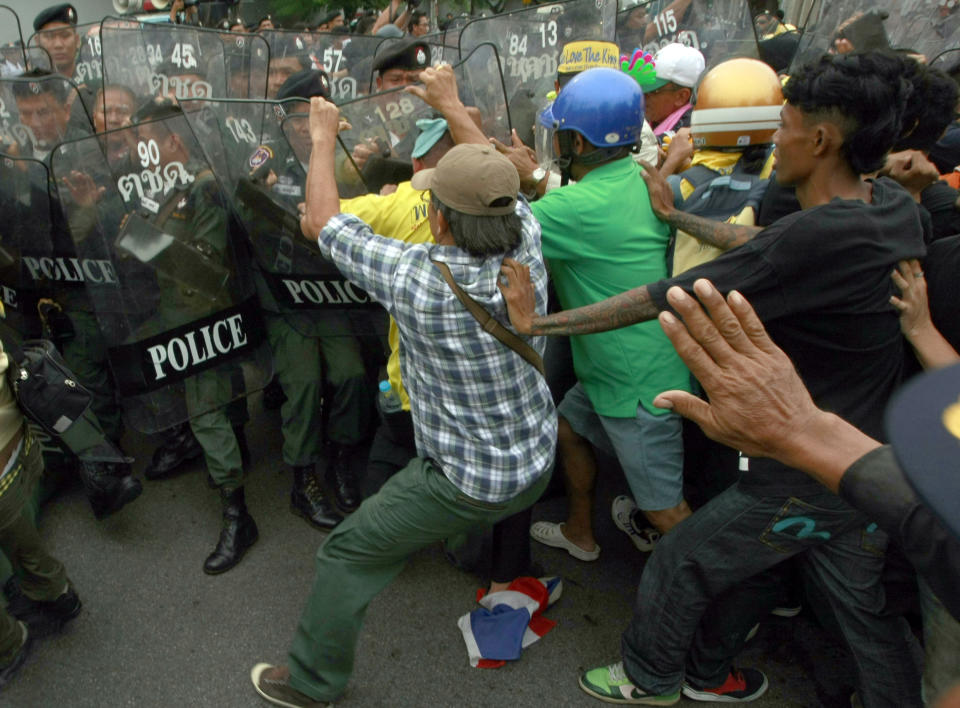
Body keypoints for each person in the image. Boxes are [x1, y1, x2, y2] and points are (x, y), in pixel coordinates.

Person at [501, 51, 926, 706]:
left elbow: (658, 298)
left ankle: (650, 678)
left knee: (682, 557)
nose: (770, 138)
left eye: (782, 124)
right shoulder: (889, 205)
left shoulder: (813, 236)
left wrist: (538, 323)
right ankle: (707, 673)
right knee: (854, 606)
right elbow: (759, 248)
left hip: (797, 467)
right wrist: (676, 219)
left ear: (819, 139)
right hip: (862, 457)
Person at [249, 96, 556, 708]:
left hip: (467, 479)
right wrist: (452, 106)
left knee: (344, 553)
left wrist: (320, 137)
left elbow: (320, 219)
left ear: (438, 219)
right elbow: (501, 180)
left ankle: (312, 683)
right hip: (535, 459)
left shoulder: (416, 277)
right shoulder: (527, 236)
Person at [650, 277, 960, 705]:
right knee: (866, 611)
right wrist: (802, 432)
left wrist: (804, 436)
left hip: (894, 490)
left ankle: (654, 677)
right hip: (915, 490)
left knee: (939, 675)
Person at [526, 68, 692, 560]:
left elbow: (498, 226)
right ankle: (581, 532)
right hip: (626, 365)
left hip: (634, 383)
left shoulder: (573, 206)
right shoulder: (643, 178)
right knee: (569, 427)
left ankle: (727, 611)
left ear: (576, 140)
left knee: (666, 511)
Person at [0, 335, 81, 689]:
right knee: (22, 542)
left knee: (20, 540)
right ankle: (55, 593)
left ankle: (11, 644)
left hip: (7, 458)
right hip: (15, 446)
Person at [644, 43, 704, 140]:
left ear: (681, 96)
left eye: (653, 91)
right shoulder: (656, 117)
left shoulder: (687, 128)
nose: (643, 96)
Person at [32, 4, 79, 80]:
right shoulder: (33, 84)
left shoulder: (94, 77)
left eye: (65, 35)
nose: (58, 45)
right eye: (50, 36)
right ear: (38, 42)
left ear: (77, 40)